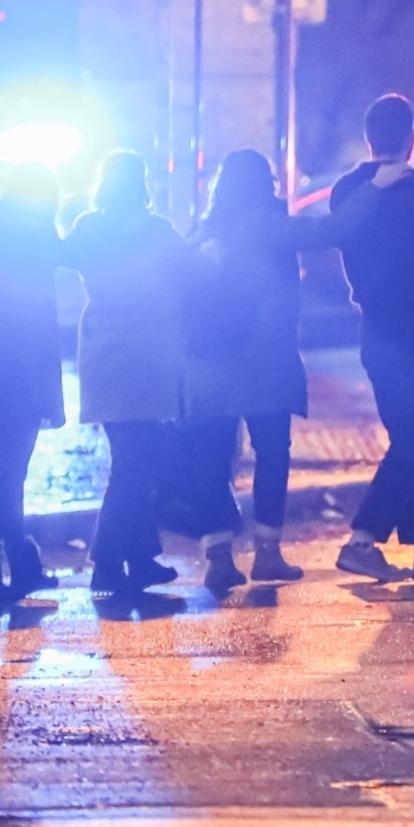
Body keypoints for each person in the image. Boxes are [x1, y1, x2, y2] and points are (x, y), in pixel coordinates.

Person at [310, 94, 414, 586]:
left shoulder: (346, 189)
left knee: (412, 437)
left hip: (376, 331)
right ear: (412, 138)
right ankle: (367, 538)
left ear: (367, 138)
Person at [180, 149, 316, 593]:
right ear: (265, 183)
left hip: (210, 365)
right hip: (265, 363)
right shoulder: (267, 226)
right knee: (272, 455)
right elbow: (324, 231)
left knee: (210, 461)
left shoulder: (202, 232)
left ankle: (218, 557)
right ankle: (268, 552)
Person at [62, 151, 193, 600]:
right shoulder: (157, 234)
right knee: (136, 463)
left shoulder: (87, 230)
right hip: (144, 358)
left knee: (132, 456)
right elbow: (192, 271)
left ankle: (139, 559)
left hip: (102, 354)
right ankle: (106, 559)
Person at [0, 161, 67, 600]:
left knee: (10, 471)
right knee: (11, 472)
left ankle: (16, 565)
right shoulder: (39, 242)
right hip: (21, 374)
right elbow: (38, 325)